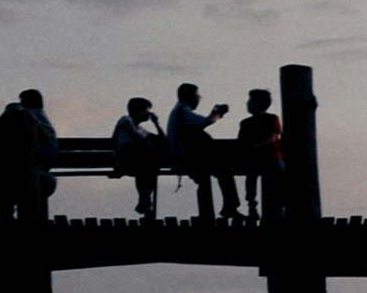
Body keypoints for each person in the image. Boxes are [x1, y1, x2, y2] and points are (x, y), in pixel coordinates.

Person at [168, 83, 233, 222]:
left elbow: (200, 123)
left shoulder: (179, 110)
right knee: (222, 170)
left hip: (184, 157)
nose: (199, 98)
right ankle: (227, 207)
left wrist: (215, 114)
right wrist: (218, 113)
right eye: (197, 95)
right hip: (186, 158)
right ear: (189, 96)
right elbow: (205, 122)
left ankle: (211, 213)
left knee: (208, 177)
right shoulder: (183, 110)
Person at [0, 100, 44, 222]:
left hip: (3, 182)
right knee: (32, 197)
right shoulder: (32, 124)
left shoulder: (0, 125)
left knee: (1, 197)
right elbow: (45, 139)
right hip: (29, 183)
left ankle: (4, 223)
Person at [111, 97, 165, 219]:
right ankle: (145, 203)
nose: (150, 113)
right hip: (124, 159)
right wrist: (149, 145)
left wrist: (157, 124)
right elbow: (133, 135)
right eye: (148, 110)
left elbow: (162, 141)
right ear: (139, 110)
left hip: (138, 162)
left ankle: (145, 202)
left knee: (149, 166)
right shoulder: (125, 120)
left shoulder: (140, 129)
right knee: (148, 161)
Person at [232, 88, 280, 220]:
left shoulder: (269, 119)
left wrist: (255, 146)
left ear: (257, 103)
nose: (247, 103)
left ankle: (260, 205)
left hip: (269, 158)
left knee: (257, 174)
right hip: (261, 159)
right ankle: (254, 205)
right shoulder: (249, 122)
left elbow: (272, 137)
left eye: (250, 101)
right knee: (254, 172)